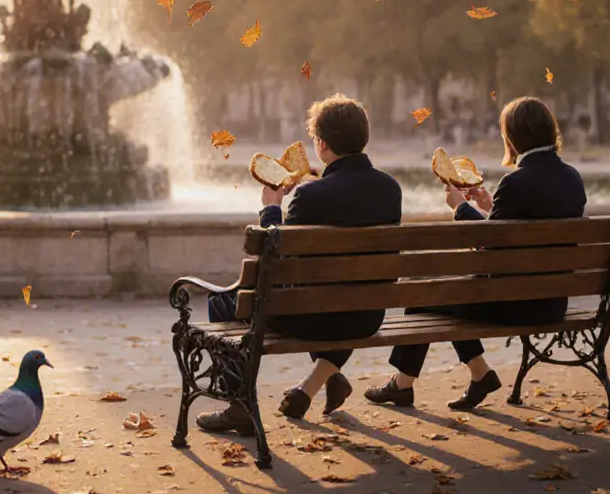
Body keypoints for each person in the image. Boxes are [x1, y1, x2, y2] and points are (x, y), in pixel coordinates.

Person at [197, 94, 403, 434]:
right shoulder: (390, 188)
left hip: (310, 319)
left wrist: (272, 208)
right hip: (366, 315)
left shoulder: (311, 195)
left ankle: (239, 405)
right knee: (337, 294)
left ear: (321, 144)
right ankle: (331, 376)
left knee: (221, 302)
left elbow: (274, 260)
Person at [365, 96, 586, 411]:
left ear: (512, 137)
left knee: (422, 292)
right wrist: (488, 205)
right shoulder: (572, 178)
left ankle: (406, 384)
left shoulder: (516, 182)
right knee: (442, 290)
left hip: (512, 305)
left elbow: (488, 247)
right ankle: (476, 375)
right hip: (552, 302)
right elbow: (514, 230)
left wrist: (461, 208)